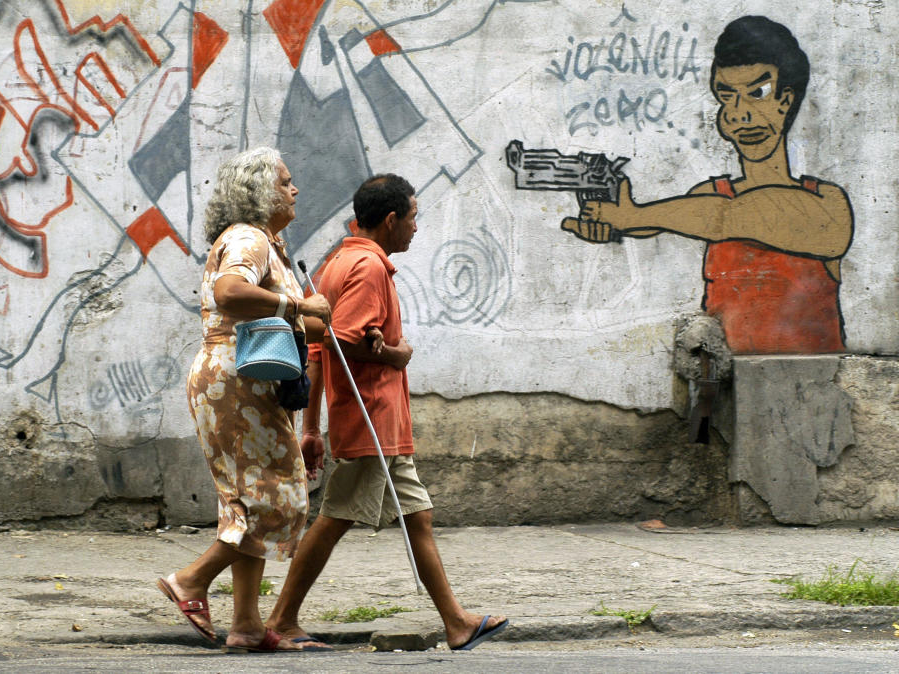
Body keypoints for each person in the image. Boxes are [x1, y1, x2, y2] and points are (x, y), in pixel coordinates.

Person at [264, 174, 509, 651]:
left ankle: (456, 623)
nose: (416, 228)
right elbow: (350, 339)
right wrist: (395, 355)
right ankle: (281, 619)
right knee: (334, 518)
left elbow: (320, 347)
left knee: (418, 517)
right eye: (413, 217)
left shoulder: (339, 262)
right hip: (372, 417)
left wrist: (312, 427)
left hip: (375, 419)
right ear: (392, 220)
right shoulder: (367, 267)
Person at [565, 15, 854, 354]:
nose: (740, 113)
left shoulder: (826, 202)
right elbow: (663, 221)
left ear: (786, 100)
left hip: (813, 388)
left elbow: (731, 216)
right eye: (726, 95)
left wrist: (633, 218)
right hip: (724, 385)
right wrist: (614, 225)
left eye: (758, 93)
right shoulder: (709, 197)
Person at [157, 146, 332, 653]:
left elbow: (292, 315)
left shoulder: (269, 243)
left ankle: (248, 626)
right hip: (234, 379)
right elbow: (232, 290)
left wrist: (315, 318)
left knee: (249, 496)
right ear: (257, 190)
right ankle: (191, 579)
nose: (294, 189)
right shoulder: (247, 237)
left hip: (247, 379)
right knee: (275, 495)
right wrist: (295, 302)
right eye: (285, 181)